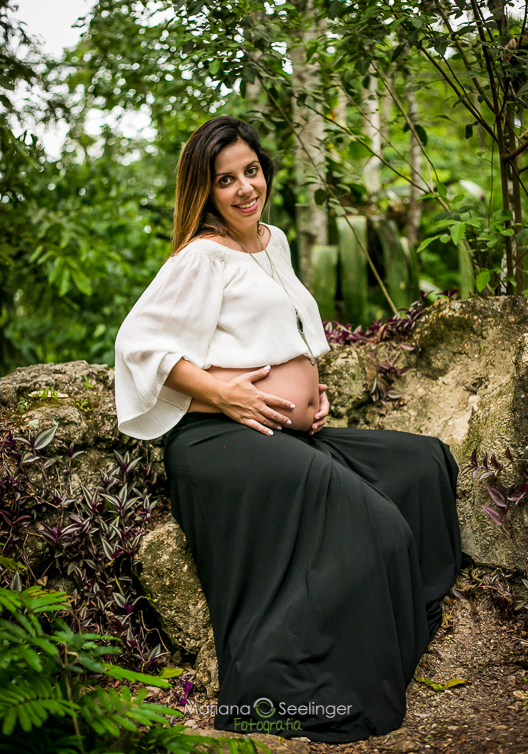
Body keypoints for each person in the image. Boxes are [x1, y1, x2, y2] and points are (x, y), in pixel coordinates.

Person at [114, 115, 468, 744]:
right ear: (205, 190)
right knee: (378, 527)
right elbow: (138, 346)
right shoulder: (201, 255)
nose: (245, 188)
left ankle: (395, 632)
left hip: (285, 432)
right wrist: (221, 392)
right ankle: (300, 695)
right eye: (226, 180)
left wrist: (311, 391)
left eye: (251, 171)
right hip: (220, 442)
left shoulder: (271, 241)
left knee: (422, 463)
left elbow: (281, 334)